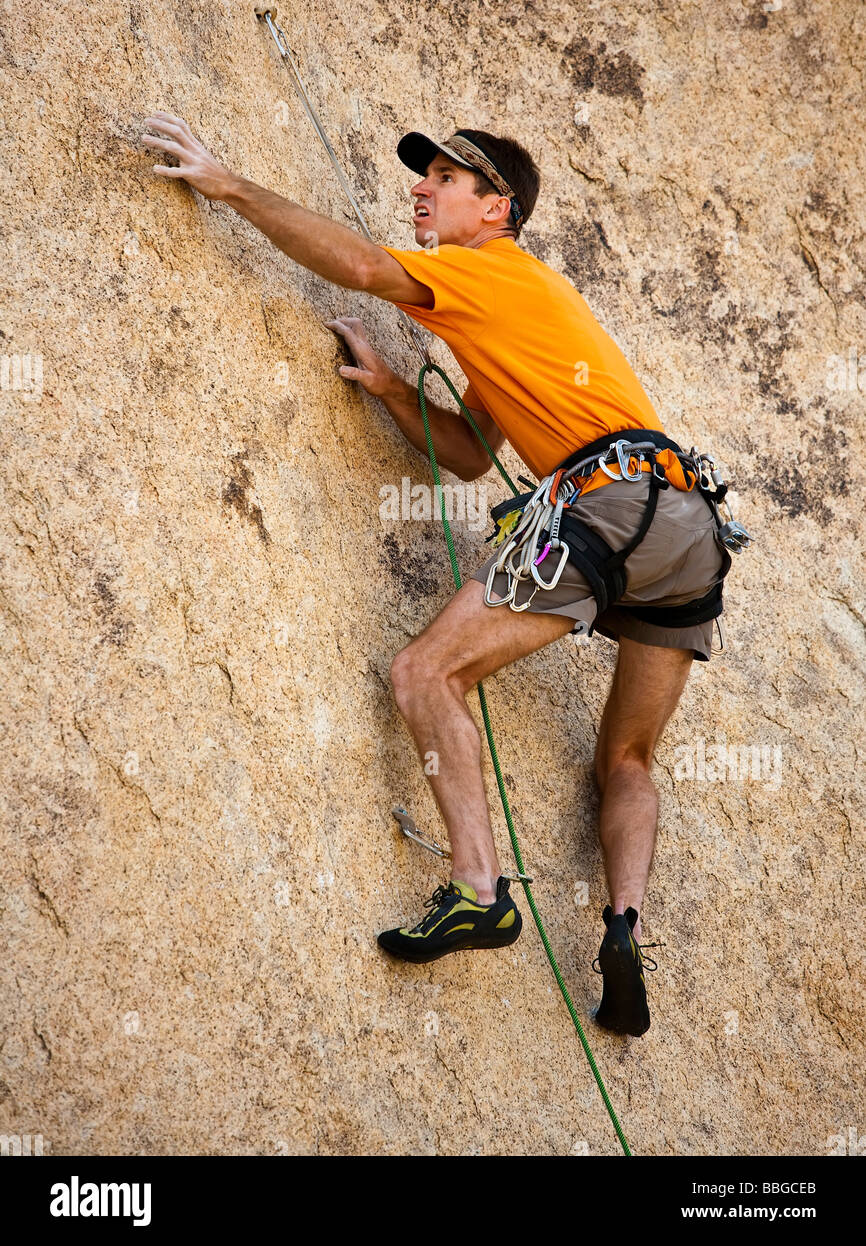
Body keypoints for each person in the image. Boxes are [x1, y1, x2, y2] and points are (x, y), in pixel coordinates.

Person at [140, 113, 731, 1036]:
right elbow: (465, 454)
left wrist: (232, 186)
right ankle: (623, 924)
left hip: (610, 509)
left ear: (495, 210)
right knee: (627, 755)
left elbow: (367, 269)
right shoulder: (516, 303)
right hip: (686, 526)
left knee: (424, 672)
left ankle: (479, 891)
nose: (422, 187)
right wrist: (386, 388)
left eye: (446, 180)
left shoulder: (488, 269)